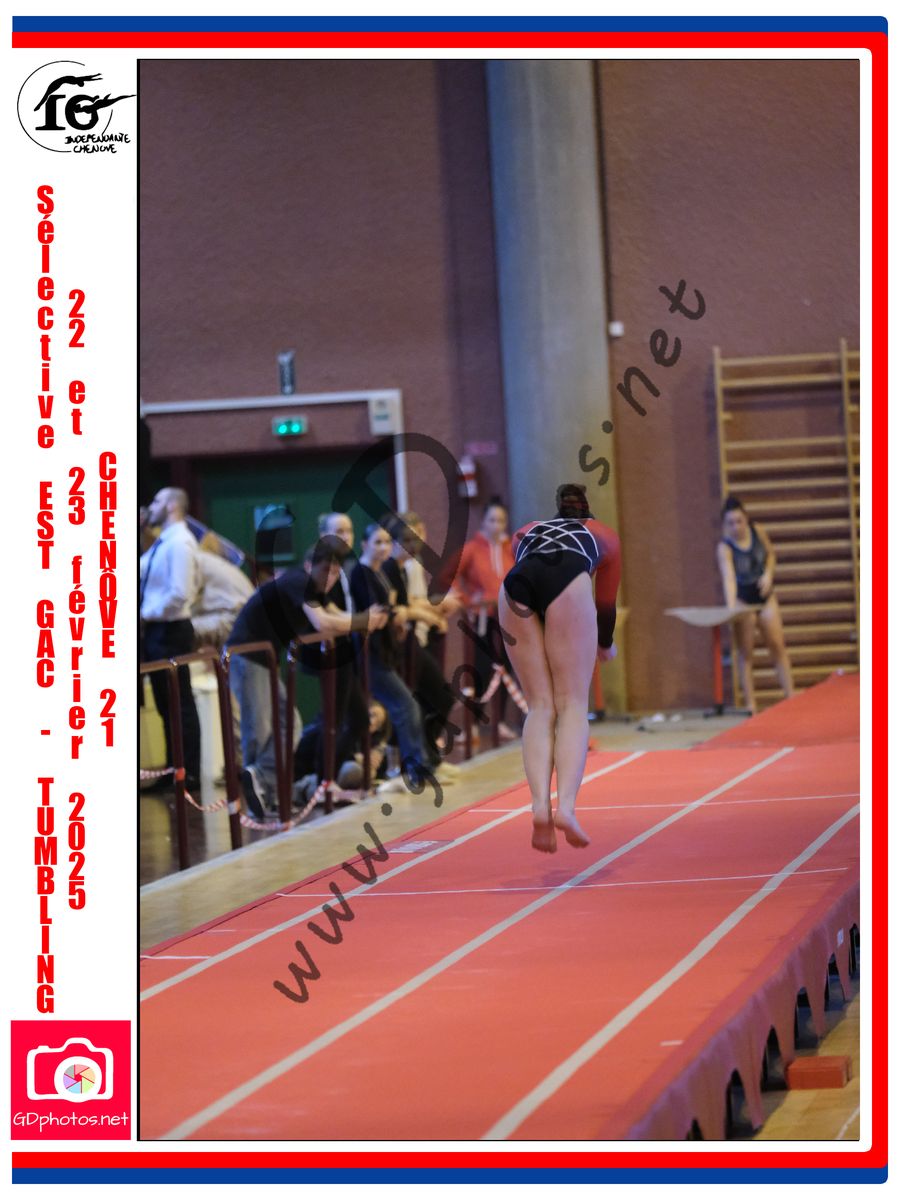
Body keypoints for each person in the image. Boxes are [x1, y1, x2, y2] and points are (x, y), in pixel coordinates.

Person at [226, 536, 388, 818]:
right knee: (260, 729)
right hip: (246, 656)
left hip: (263, 658)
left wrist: (365, 618)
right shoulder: (298, 581)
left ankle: (265, 786)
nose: (330, 578)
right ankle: (259, 797)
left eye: (336, 572)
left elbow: (335, 615)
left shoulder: (312, 589)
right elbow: (323, 622)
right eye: (325, 570)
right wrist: (364, 621)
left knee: (289, 725)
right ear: (309, 565)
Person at [499, 483, 621, 853]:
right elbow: (606, 605)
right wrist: (604, 644)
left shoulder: (525, 532)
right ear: (588, 513)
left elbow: (531, 573)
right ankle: (565, 807)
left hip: (515, 586)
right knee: (572, 704)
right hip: (568, 577)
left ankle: (539, 805)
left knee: (540, 705)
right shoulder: (604, 536)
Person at [350, 524, 458, 790]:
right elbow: (382, 612)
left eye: (386, 542)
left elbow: (395, 609)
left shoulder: (380, 574)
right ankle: (414, 769)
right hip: (370, 654)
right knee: (405, 706)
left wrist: (399, 617)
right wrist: (398, 616)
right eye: (377, 542)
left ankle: (420, 766)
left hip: (387, 651)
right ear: (364, 545)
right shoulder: (361, 573)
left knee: (408, 706)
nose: (383, 548)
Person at [140, 487, 202, 791]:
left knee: (178, 702)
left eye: (157, 501)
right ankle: (173, 769)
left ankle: (187, 772)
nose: (151, 506)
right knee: (166, 704)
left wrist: (146, 614)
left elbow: (179, 593)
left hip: (170, 628)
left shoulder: (180, 543)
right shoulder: (164, 541)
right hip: (158, 628)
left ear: (172, 506)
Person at [717, 494, 793, 714]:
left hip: (764, 596)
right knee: (746, 652)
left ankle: (790, 696)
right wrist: (731, 608)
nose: (736, 527)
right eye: (731, 523)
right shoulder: (725, 548)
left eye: (739, 521)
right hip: (744, 601)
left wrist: (768, 574)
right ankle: (751, 704)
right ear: (725, 524)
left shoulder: (758, 531)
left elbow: (771, 555)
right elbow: (728, 579)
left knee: (777, 645)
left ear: (746, 518)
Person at [452, 497, 519, 741]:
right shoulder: (471, 549)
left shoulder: (512, 549)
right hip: (482, 620)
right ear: (483, 522)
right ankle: (472, 724)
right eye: (492, 520)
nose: (496, 525)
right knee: (480, 670)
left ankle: (499, 721)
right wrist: (468, 600)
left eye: (501, 520)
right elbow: (450, 577)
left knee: (506, 669)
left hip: (509, 619)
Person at [191, 547, 255, 651]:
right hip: (241, 618)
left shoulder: (188, 562)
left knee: (176, 632)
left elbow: (182, 601)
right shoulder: (203, 558)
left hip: (234, 620)